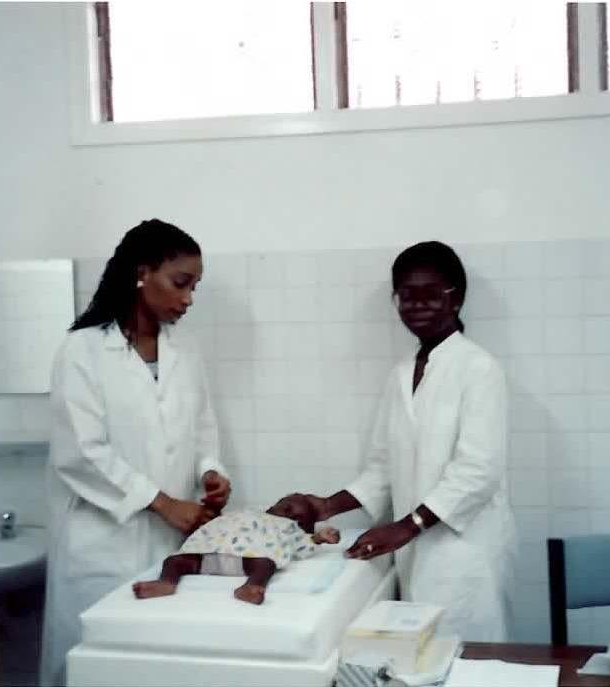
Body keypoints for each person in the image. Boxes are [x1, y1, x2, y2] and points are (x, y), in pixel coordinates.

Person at [39, 219, 232, 687]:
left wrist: (211, 473)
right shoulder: (82, 350)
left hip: (167, 543)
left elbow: (203, 425)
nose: (188, 298)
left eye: (194, 287)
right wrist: (165, 503)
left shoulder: (184, 349)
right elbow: (81, 453)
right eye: (180, 283)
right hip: (103, 544)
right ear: (142, 273)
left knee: (156, 666)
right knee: (96, 666)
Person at [306, 241, 517, 641]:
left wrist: (406, 526)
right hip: (416, 553)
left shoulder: (479, 369)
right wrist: (327, 506)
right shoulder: (401, 374)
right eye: (406, 295)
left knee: (468, 659)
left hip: (465, 553)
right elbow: (382, 467)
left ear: (456, 299)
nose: (417, 305)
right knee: (419, 660)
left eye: (430, 294)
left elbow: (478, 472)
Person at [132, 493, 341, 605]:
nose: (290, 517)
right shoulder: (247, 512)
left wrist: (317, 538)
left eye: (299, 519)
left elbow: (301, 545)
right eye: (286, 508)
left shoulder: (289, 529)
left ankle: (252, 586)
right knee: (175, 561)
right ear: (273, 505)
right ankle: (166, 582)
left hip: (248, 559)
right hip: (208, 553)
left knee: (266, 564)